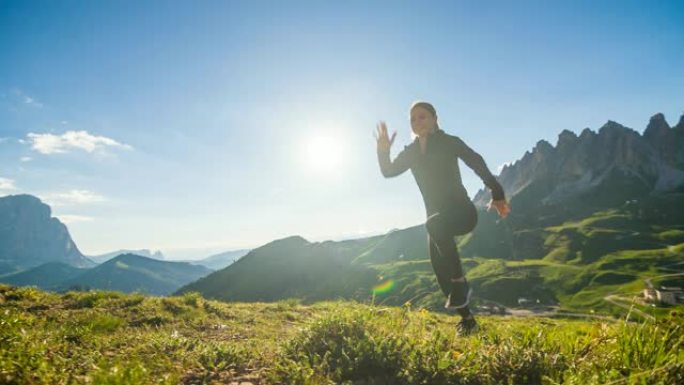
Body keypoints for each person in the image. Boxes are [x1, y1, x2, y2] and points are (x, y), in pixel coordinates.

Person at [375, 100, 510, 336]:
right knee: (439, 270)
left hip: (463, 214)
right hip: (437, 222)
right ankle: (467, 321)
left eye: (423, 116)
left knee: (434, 225)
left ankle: (460, 282)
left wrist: (497, 192)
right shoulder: (411, 152)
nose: (418, 122)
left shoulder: (449, 142)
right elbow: (388, 172)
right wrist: (383, 150)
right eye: (413, 119)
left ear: (435, 119)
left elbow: (476, 162)